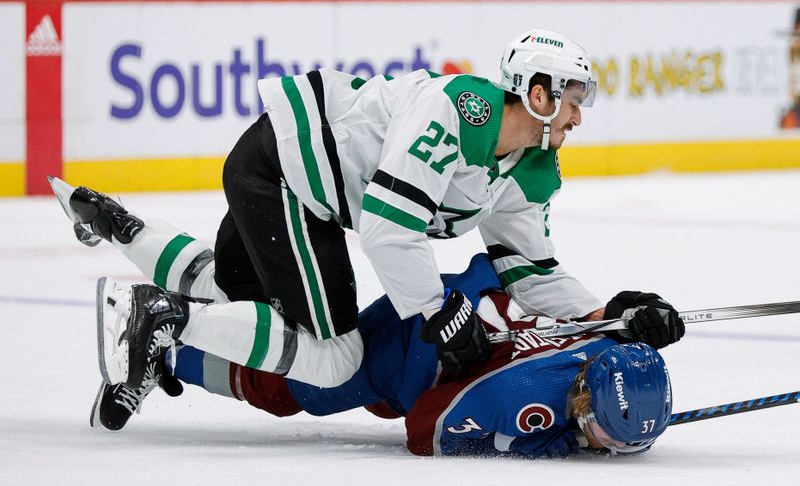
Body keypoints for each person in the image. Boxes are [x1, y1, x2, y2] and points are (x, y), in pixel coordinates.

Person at [50, 27, 685, 393]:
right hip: (286, 177)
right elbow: (387, 228)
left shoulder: (525, 169)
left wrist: (606, 315)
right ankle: (160, 317)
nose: (579, 115)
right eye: (573, 99)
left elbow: (530, 272)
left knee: (236, 295)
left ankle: (122, 229)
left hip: (274, 167)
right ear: (537, 93)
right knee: (334, 357)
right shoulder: (457, 111)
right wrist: (435, 311)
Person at [89, 251, 673, 459]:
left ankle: (135, 237)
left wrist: (630, 315)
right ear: (584, 398)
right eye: (607, 435)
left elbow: (586, 323)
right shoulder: (521, 402)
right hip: (416, 348)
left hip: (444, 307)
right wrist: (559, 441)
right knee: (293, 388)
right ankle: (169, 352)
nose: (609, 450)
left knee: (278, 312)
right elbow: (424, 431)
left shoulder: (599, 354)